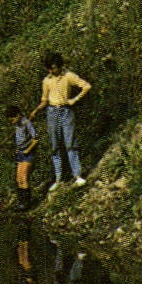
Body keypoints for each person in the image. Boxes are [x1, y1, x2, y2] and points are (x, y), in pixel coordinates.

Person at [31, 51, 90, 189]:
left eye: (53, 68)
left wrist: (75, 99)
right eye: (49, 68)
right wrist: (36, 110)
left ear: (59, 65)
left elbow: (86, 86)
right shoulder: (46, 81)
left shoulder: (68, 76)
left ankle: (77, 176)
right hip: (52, 112)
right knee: (55, 146)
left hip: (66, 111)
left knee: (70, 144)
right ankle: (58, 179)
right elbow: (44, 100)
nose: (51, 71)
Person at [7, 104, 39, 209]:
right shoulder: (16, 125)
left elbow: (36, 139)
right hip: (20, 153)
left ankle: (26, 204)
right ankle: (20, 202)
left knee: (24, 178)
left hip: (28, 153)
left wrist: (27, 150)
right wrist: (17, 148)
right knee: (18, 178)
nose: (12, 122)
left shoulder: (27, 123)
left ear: (18, 115)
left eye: (13, 119)